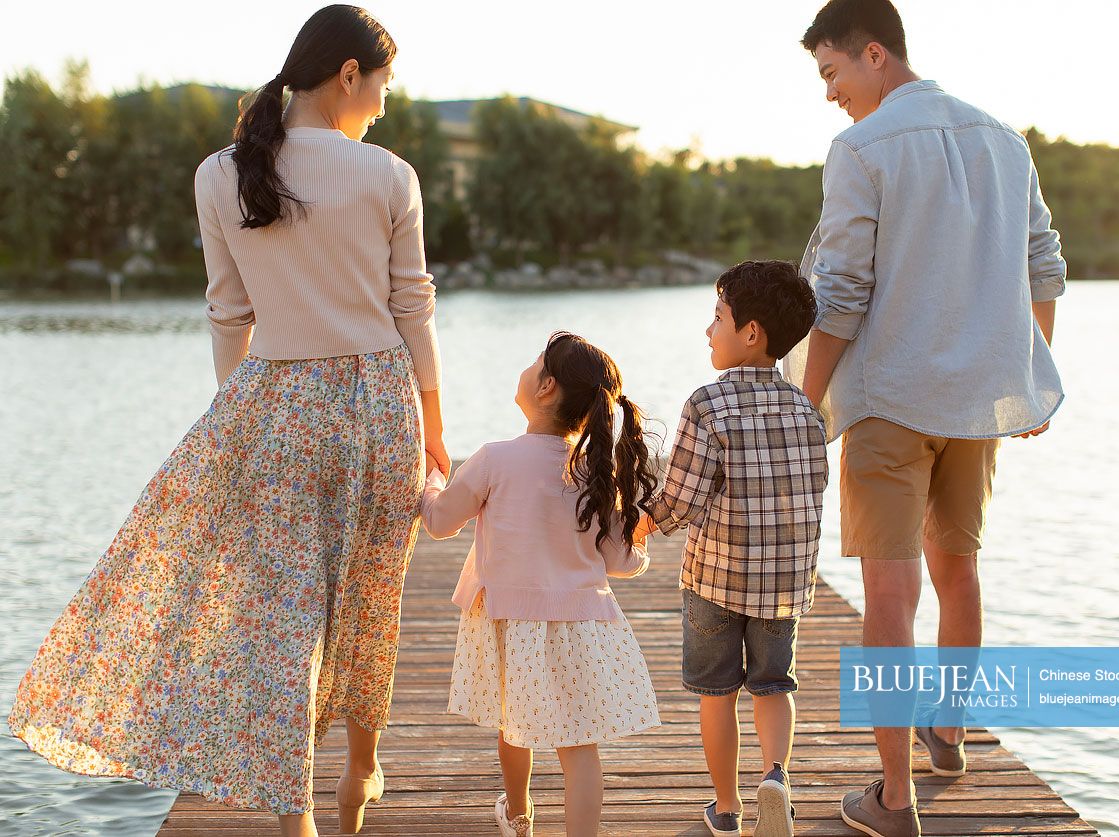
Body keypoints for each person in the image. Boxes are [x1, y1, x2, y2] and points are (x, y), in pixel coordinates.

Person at [7, 6, 446, 836]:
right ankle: (361, 766)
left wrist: (236, 416)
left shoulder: (219, 172)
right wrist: (434, 423)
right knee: (370, 595)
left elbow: (226, 312)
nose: (384, 104)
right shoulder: (389, 174)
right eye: (382, 84)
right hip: (379, 398)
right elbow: (411, 307)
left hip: (270, 403)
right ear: (348, 75)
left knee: (280, 621)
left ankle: (295, 818)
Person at [787, 2, 1066, 835]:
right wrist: (1024, 375)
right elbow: (1043, 266)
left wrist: (805, 405)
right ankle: (945, 733)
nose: (830, 94)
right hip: (974, 404)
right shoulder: (1004, 140)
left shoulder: (860, 149)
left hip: (887, 399)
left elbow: (839, 294)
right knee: (957, 570)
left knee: (889, 589)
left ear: (876, 54)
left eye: (833, 72)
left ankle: (893, 797)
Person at [422, 332, 661, 837]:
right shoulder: (594, 472)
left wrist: (431, 481)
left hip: (511, 620)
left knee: (515, 720)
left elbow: (440, 522)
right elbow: (620, 561)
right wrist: (641, 540)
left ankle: (518, 815)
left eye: (536, 362)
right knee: (579, 747)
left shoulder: (494, 458)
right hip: (580, 625)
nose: (529, 368)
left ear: (547, 387)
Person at [637, 260, 828, 837]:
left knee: (717, 694)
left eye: (717, 317)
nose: (708, 330)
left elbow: (683, 500)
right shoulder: (807, 412)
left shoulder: (706, 404)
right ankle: (775, 778)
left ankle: (726, 809)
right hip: (783, 586)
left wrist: (642, 520)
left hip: (716, 579)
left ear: (751, 333)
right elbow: (813, 493)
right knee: (773, 686)